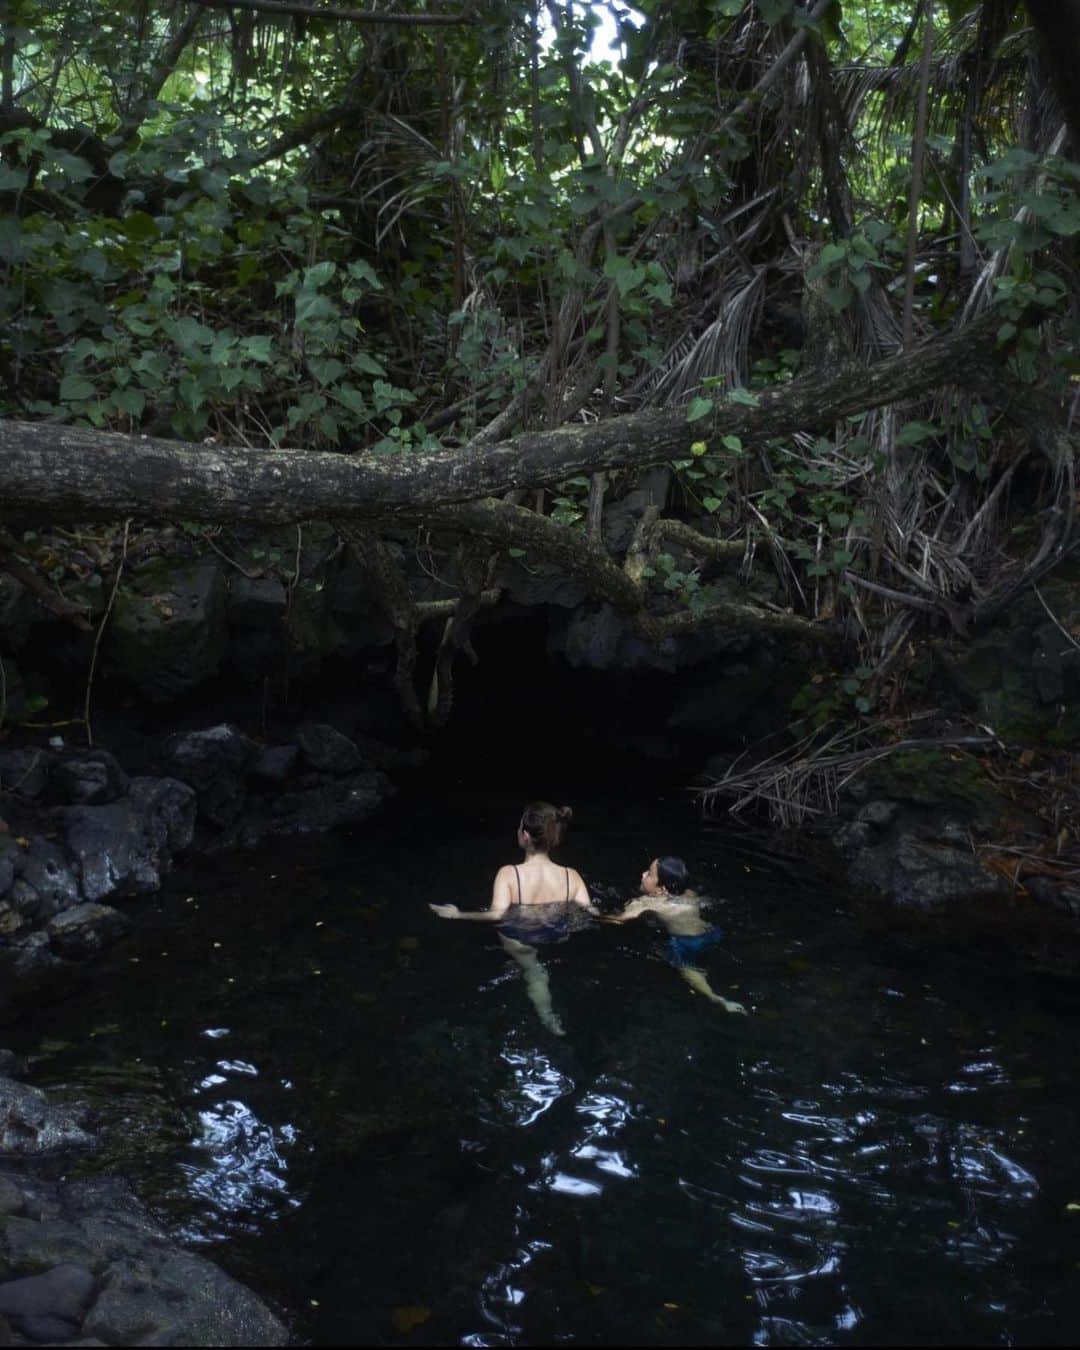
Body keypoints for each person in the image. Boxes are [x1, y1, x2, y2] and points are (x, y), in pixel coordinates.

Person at [430, 802, 597, 1035]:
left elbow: (497, 914)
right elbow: (592, 913)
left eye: (519, 828)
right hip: (558, 934)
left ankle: (548, 1017)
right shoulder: (572, 875)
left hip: (522, 937)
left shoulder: (509, 873)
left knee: (535, 972)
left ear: (526, 836)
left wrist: (458, 914)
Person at [604, 856, 747, 1014]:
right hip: (711, 933)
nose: (643, 874)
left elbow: (619, 920)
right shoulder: (689, 894)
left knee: (688, 969)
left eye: (649, 874)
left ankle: (718, 999)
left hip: (684, 943)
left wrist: (591, 913)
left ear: (662, 889)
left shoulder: (647, 902)